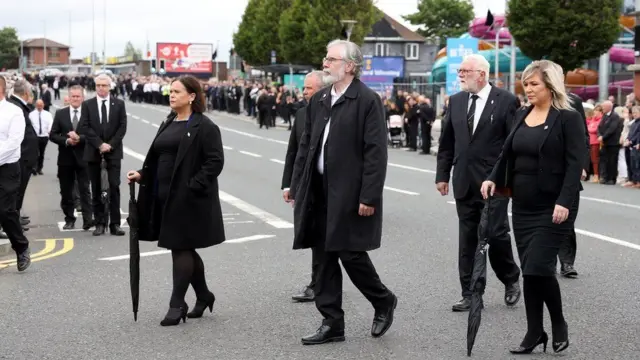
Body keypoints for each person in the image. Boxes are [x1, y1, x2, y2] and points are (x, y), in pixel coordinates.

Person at [290, 39, 397, 345]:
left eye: (331, 59)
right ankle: (332, 322)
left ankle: (383, 299)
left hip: (349, 191)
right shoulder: (320, 99)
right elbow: (306, 147)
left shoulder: (366, 100)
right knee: (322, 256)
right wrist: (298, 185)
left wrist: (368, 196)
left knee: (350, 253)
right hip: (319, 190)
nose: (325, 63)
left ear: (350, 66)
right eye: (326, 58)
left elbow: (376, 153)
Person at [481, 60, 586, 354]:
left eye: (534, 84)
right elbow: (506, 152)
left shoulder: (567, 117)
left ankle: (558, 323)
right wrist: (492, 179)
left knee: (538, 265)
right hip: (524, 206)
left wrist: (564, 201)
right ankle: (534, 332)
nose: (528, 89)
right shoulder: (521, 114)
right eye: (525, 84)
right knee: (531, 270)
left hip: (554, 205)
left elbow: (575, 162)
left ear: (550, 85)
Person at [126, 75, 225, 326]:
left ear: (191, 96)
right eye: (170, 91)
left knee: (180, 248)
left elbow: (215, 162)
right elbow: (160, 158)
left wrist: (192, 186)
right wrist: (142, 174)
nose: (171, 95)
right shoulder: (169, 121)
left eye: (177, 92)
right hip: (163, 197)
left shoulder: (205, 126)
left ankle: (176, 304)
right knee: (184, 248)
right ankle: (204, 295)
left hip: (188, 200)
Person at [435, 53, 521, 312]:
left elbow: (512, 144)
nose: (459, 75)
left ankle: (510, 279)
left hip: (494, 181)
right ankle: (470, 293)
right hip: (463, 180)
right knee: (468, 239)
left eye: (465, 71)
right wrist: (442, 174)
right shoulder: (457, 101)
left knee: (495, 234)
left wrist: (503, 177)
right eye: (459, 71)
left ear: (481, 74)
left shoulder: (506, 101)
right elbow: (447, 142)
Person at [282, 70, 327, 303]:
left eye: (308, 88)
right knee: (316, 238)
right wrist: (288, 185)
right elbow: (293, 152)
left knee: (338, 246)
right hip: (309, 187)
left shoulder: (333, 113)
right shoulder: (301, 114)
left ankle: (323, 282)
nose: (304, 92)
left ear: (321, 88)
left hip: (330, 187)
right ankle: (318, 283)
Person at [78, 74, 127, 236]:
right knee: (97, 187)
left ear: (110, 87)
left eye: (104, 85)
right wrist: (99, 144)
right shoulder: (87, 105)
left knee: (114, 186)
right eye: (98, 85)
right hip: (93, 152)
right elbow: (85, 127)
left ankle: (115, 224)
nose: (101, 88)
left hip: (113, 153)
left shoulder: (119, 104)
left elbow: (122, 127)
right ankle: (99, 222)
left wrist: (110, 145)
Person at [49, 85, 94, 230]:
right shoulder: (61, 113)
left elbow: (95, 135)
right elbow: (53, 134)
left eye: (78, 96)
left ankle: (88, 219)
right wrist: (66, 141)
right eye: (73, 96)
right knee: (66, 191)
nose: (75, 99)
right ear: (69, 98)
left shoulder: (89, 114)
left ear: (83, 97)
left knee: (85, 190)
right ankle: (69, 219)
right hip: (65, 159)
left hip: (84, 158)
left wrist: (80, 138)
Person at [0, 76, 31, 271]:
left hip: (7, 168)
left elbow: (13, 142)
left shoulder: (14, 112)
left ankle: (21, 247)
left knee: (5, 211)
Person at [7, 79, 38, 228]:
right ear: (26, 93)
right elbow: (18, 137)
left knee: (18, 193)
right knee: (16, 193)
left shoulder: (18, 105)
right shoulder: (16, 107)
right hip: (21, 159)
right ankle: (13, 221)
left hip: (24, 159)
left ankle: (16, 217)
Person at [28, 99, 53, 175]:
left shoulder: (48, 114)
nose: (39, 107)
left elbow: (51, 123)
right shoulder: (31, 114)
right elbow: (30, 125)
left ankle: (40, 168)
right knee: (35, 152)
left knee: (42, 153)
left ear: (43, 105)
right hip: (35, 136)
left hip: (44, 136)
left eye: (41, 105)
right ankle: (34, 167)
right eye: (38, 105)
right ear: (36, 105)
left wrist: (49, 130)